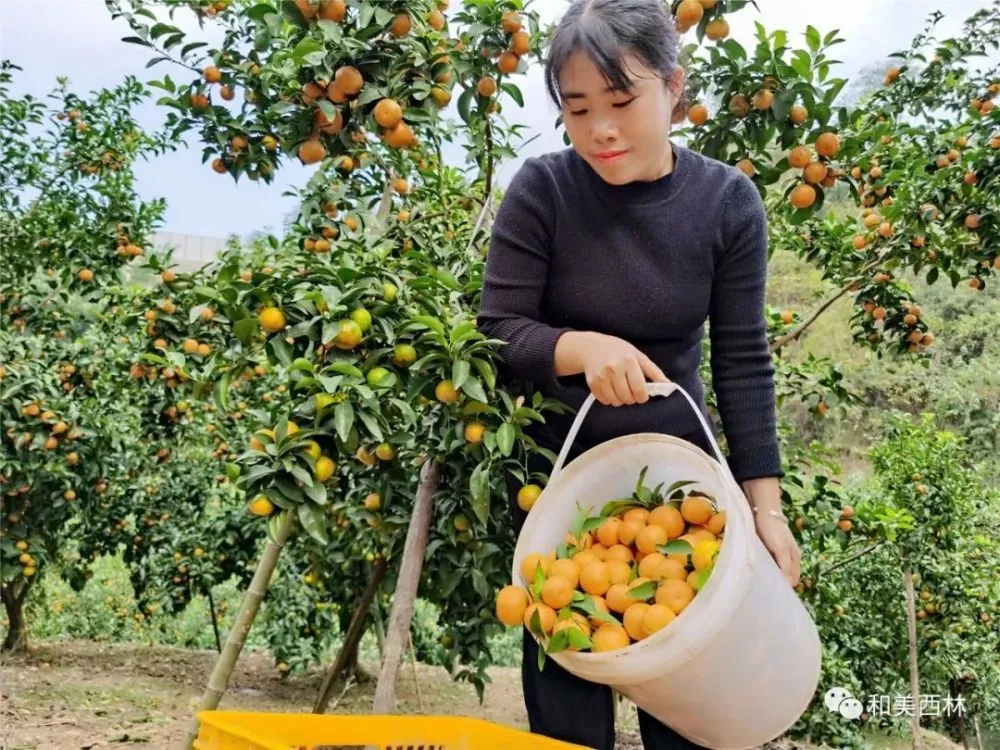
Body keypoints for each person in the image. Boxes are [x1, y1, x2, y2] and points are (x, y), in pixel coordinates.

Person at [476, 0, 803, 748]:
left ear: (673, 88)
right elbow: (499, 332)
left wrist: (767, 511)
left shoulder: (726, 204)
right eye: (577, 107)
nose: (601, 130)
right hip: (564, 493)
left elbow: (744, 362)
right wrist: (582, 348)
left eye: (622, 101)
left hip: (681, 494)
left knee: (691, 699)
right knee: (566, 712)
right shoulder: (543, 191)